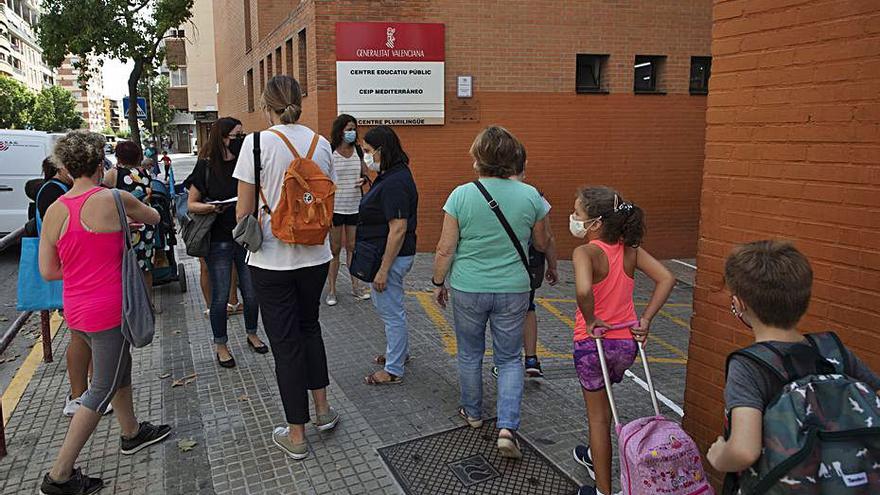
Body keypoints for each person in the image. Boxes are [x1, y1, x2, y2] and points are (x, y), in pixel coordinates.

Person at [38, 130, 171, 495]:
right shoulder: (115, 198)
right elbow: (155, 217)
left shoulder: (55, 210)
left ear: (65, 168)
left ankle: (131, 432)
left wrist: (82, 266)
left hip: (76, 309)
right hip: (109, 309)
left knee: (117, 369)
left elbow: (49, 270)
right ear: (101, 164)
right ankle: (59, 476)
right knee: (102, 386)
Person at [707, 241, 880, 487]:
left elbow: (744, 451)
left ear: (739, 303)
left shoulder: (748, 366)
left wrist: (720, 456)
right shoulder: (833, 350)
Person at [234, 75, 339, 460]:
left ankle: (296, 436)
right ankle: (323, 411)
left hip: (271, 260)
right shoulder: (321, 143)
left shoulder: (256, 143)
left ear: (267, 106)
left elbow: (244, 210)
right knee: (310, 328)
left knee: (285, 343)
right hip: (316, 256)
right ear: (300, 101)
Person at [432, 126, 549, 459]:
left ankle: (472, 413)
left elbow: (445, 248)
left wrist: (439, 282)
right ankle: (507, 427)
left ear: (477, 157)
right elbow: (541, 243)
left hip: (469, 287)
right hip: (513, 289)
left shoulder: (460, 195)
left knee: (470, 353)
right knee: (510, 358)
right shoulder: (530, 196)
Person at [568, 186, 675, 495]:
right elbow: (666, 277)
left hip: (593, 345)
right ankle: (593, 455)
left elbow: (584, 291)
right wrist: (646, 319)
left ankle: (602, 490)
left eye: (578, 214)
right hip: (625, 344)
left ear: (596, 223)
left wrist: (589, 319)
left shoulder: (585, 253)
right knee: (605, 402)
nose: (574, 218)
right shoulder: (630, 250)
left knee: (599, 419)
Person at [186, 117, 266, 368]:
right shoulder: (206, 166)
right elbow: (191, 203)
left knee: (252, 294)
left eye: (243, 135)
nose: (241, 140)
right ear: (222, 137)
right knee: (221, 296)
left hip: (245, 238)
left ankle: (252, 333)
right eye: (236, 135)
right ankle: (221, 344)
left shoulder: (248, 164)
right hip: (219, 239)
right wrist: (211, 207)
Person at [491, 143, 559, 379]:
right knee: (527, 309)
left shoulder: (485, 192)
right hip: (528, 266)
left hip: (496, 265)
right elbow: (546, 239)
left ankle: (504, 361)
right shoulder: (535, 196)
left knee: (501, 315)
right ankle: (531, 359)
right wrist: (553, 265)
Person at [358, 126, 418, 385]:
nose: (366, 156)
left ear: (382, 150)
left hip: (390, 257)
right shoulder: (391, 175)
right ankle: (398, 353)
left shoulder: (394, 181)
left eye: (368, 151)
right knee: (393, 309)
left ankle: (393, 369)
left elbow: (398, 228)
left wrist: (383, 269)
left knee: (391, 312)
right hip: (389, 254)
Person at [325, 114, 370, 306]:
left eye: (354, 129)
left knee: (353, 247)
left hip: (354, 206)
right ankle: (332, 291)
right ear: (340, 130)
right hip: (335, 207)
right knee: (334, 249)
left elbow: (366, 173)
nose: (351, 132)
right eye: (348, 129)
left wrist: (363, 179)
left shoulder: (358, 151)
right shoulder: (329, 150)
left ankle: (356, 287)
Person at [104, 142, 159, 290]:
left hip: (125, 225)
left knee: (124, 266)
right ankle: (147, 303)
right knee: (145, 266)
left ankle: (128, 302)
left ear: (118, 157)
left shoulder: (113, 174)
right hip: (146, 222)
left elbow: (103, 196)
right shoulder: (145, 173)